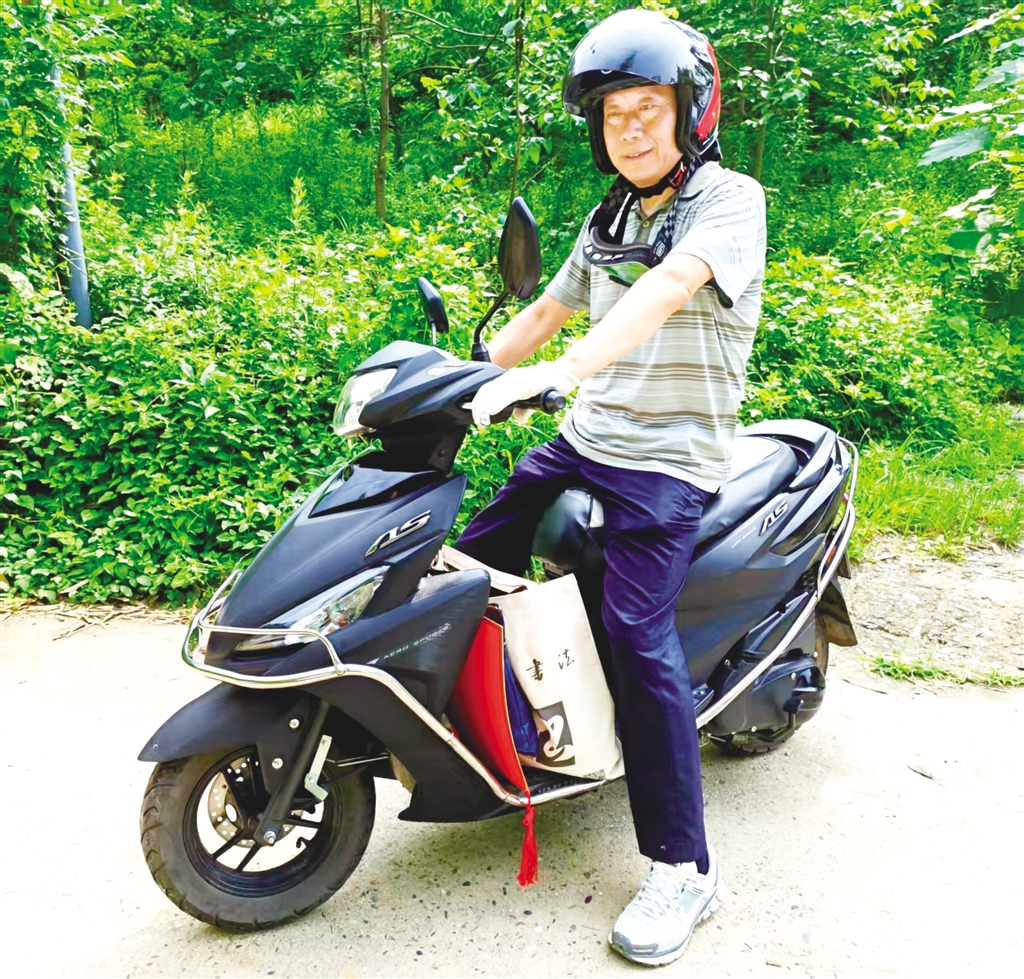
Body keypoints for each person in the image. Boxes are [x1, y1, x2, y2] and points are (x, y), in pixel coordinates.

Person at [457, 7, 766, 967]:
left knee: (638, 635)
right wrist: (459, 381)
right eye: (612, 114)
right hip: (586, 441)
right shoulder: (608, 219)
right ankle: (488, 725)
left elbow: (668, 289)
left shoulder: (728, 202)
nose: (628, 128)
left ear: (690, 110)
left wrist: (566, 370)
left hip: (669, 462)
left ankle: (685, 867)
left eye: (647, 109)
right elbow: (545, 312)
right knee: (463, 562)